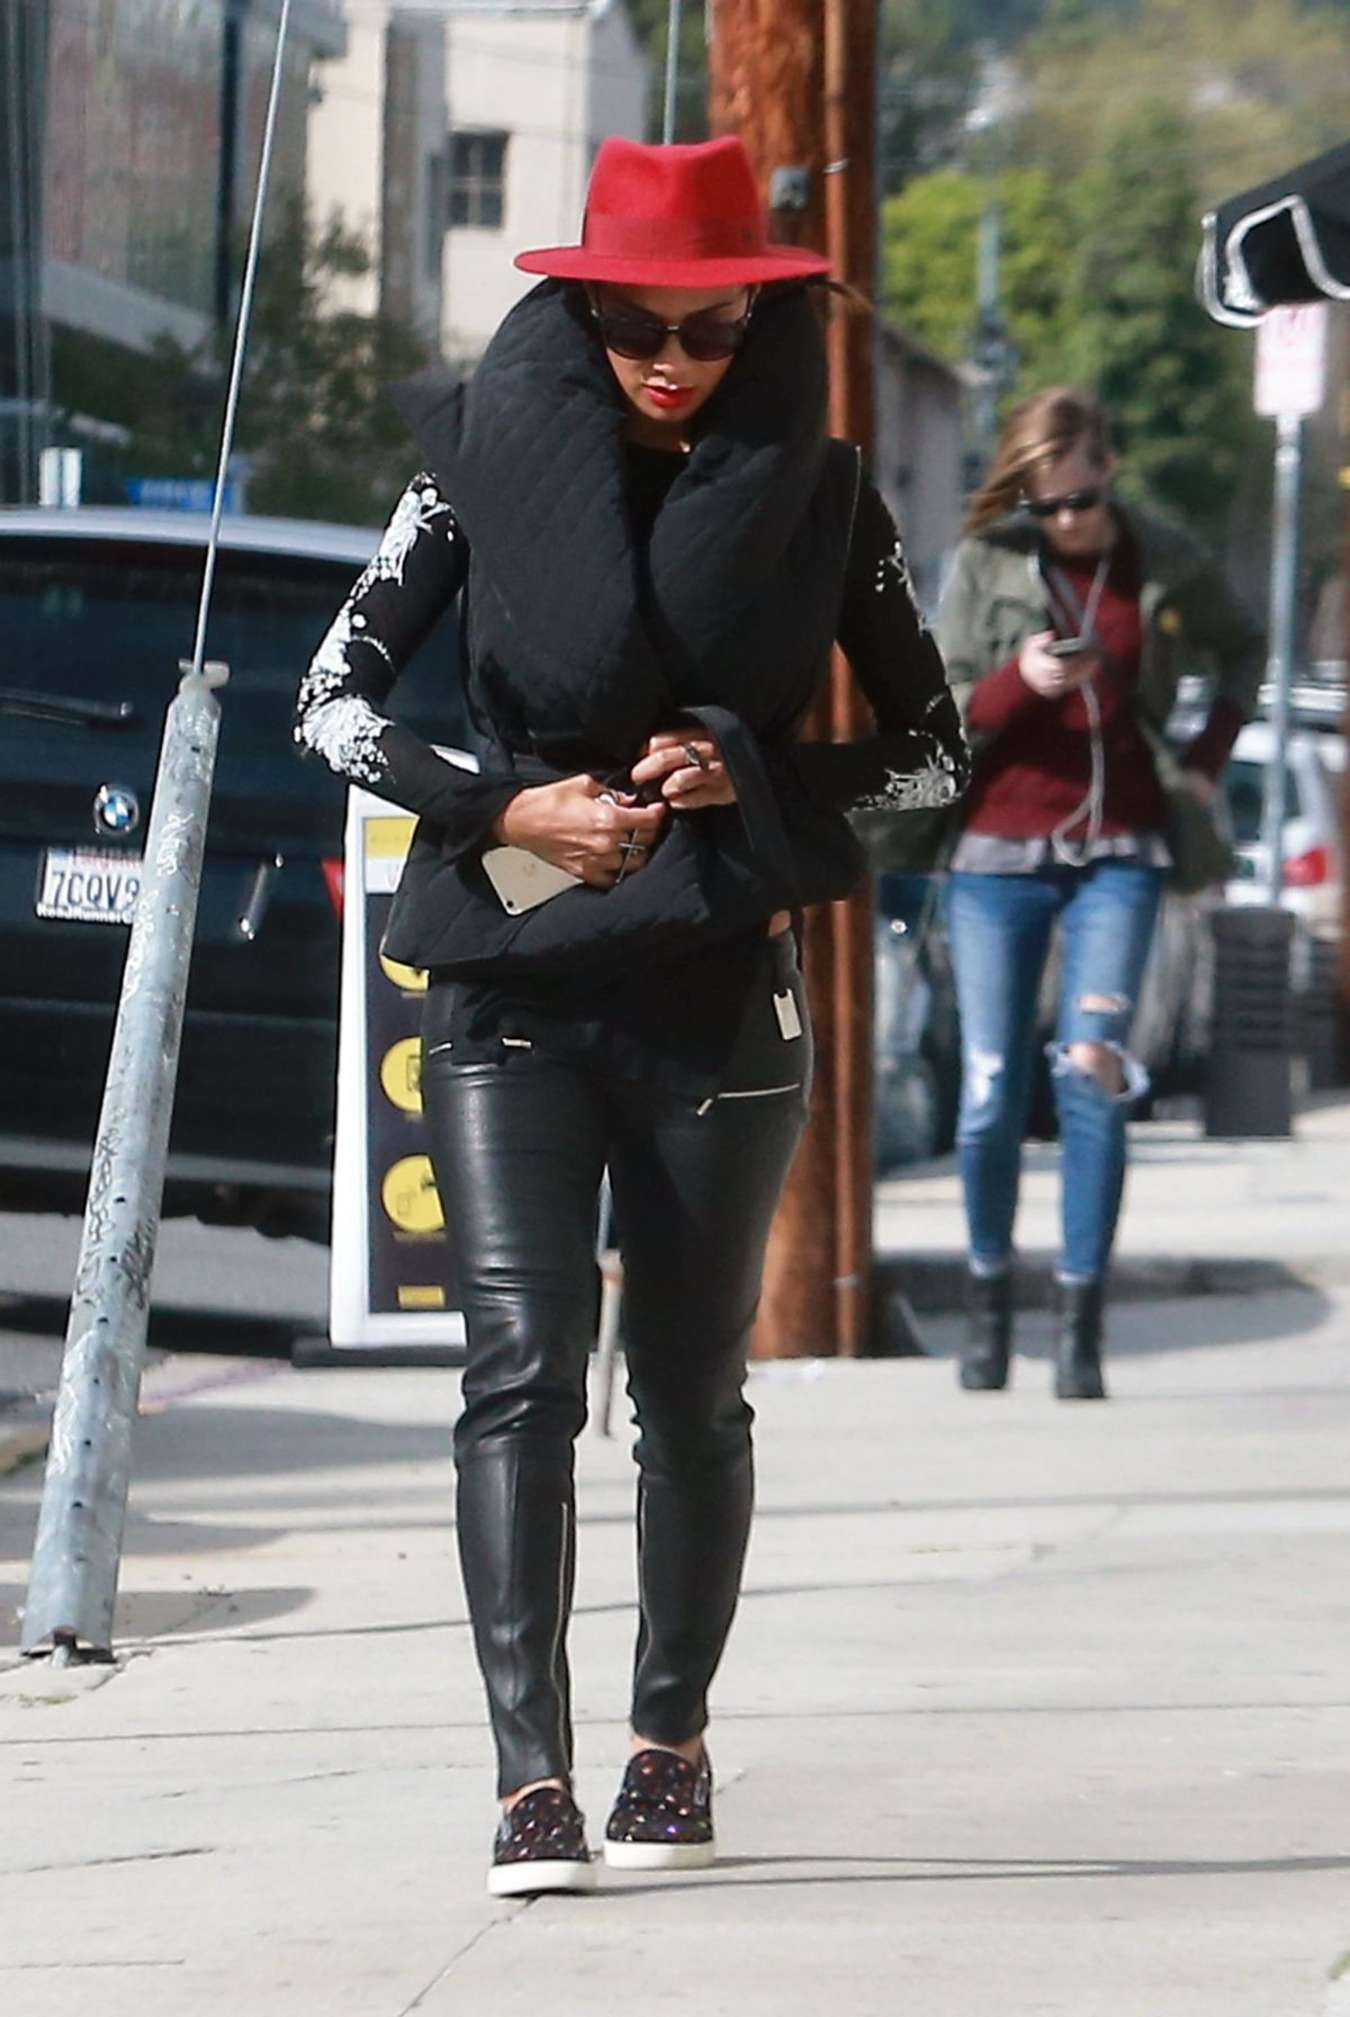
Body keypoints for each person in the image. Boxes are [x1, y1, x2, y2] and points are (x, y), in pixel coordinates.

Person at [294, 135, 968, 1894]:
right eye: (634, 324)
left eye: (713, 329)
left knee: (689, 1389)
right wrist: (500, 802)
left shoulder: (828, 500)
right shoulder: (470, 471)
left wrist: (754, 772)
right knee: (519, 1375)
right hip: (512, 973)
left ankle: (669, 1741)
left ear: (764, 326)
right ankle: (529, 1779)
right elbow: (329, 705)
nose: (672, 360)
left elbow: (933, 756)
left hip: (714, 987)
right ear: (577, 311)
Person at [935, 387, 1264, 1401]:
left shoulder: (1162, 557)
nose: (1064, 521)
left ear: (1109, 473)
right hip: (995, 857)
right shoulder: (986, 560)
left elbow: (1243, 647)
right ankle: (989, 1303)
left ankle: (1082, 1324)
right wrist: (1017, 681)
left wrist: (1205, 761)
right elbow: (939, 705)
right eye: (1044, 505)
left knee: (1093, 1075)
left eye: (1079, 500)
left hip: (1121, 852)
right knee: (991, 1090)